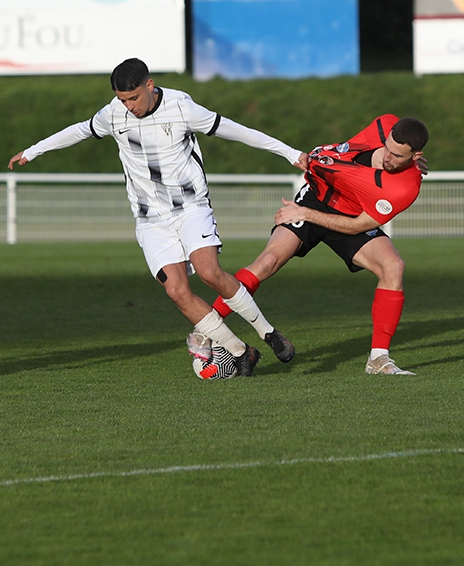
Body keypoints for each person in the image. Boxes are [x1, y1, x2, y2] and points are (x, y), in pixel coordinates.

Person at [8, 57, 307, 378]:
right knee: (176, 291)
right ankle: (240, 351)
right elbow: (80, 130)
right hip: (150, 218)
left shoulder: (181, 107)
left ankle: (269, 333)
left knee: (209, 272)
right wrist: (33, 150)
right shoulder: (113, 113)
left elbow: (238, 131)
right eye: (123, 100)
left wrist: (291, 153)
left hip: (191, 207)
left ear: (150, 85)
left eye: (134, 97)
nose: (129, 106)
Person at [210, 114, 429, 376]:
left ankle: (378, 359)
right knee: (268, 262)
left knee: (393, 267)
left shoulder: (404, 188)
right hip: (315, 197)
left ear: (416, 156)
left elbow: (360, 225)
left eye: (398, 156)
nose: (387, 157)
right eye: (388, 148)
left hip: (351, 217)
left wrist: (305, 215)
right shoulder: (385, 124)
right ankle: (205, 326)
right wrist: (306, 211)